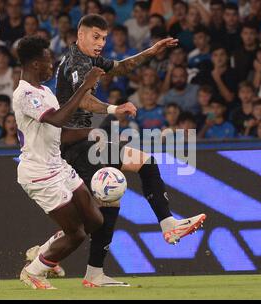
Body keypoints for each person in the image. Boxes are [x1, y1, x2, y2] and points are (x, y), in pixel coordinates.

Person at [33, 14, 206, 288]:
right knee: (114, 193)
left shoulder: (88, 58)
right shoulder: (75, 62)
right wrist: (114, 108)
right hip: (76, 145)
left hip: (87, 142)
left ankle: (77, 265)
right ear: (80, 35)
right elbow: (84, 99)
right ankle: (64, 261)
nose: (101, 42)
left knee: (111, 196)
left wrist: (151, 52)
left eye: (104, 38)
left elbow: (119, 67)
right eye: (95, 37)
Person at [14, 35, 105, 290]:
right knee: (76, 234)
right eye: (48, 60)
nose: (51, 65)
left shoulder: (45, 92)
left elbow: (58, 131)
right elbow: (56, 119)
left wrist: (92, 132)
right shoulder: (25, 94)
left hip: (58, 166)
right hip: (39, 173)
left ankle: (43, 251)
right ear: (34, 64)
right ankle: (34, 272)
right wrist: (84, 86)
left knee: (95, 221)